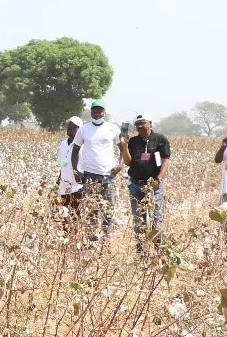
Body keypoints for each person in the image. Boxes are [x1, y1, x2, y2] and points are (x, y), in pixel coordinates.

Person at [70, 101, 123, 237]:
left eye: (100, 111)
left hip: (108, 176)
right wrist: (76, 171)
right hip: (90, 176)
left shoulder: (113, 129)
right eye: (95, 111)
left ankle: (106, 241)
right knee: (91, 211)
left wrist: (120, 165)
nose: (97, 114)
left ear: (104, 113)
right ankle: (90, 240)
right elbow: (75, 150)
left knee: (108, 211)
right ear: (91, 112)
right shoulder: (84, 129)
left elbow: (123, 148)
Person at [121, 114, 170, 251]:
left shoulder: (160, 139)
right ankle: (141, 252)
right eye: (137, 124)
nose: (140, 126)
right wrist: (124, 147)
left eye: (143, 123)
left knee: (157, 219)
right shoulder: (133, 141)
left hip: (154, 185)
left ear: (150, 123)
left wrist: (158, 179)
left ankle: (159, 250)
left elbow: (165, 161)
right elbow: (128, 162)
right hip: (136, 185)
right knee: (138, 220)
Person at [57, 116, 84, 232]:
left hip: (77, 185)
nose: (71, 129)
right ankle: (66, 236)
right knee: (64, 212)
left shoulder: (83, 144)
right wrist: (59, 177)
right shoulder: (63, 144)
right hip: (64, 185)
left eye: (74, 127)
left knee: (76, 213)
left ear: (80, 130)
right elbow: (62, 163)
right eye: (69, 126)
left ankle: (76, 237)